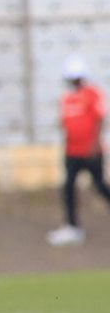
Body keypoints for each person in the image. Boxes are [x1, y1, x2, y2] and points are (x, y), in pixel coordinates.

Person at [48, 55, 109, 246]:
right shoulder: (67, 98)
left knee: (99, 186)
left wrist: (94, 145)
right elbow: (66, 122)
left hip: (90, 152)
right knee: (68, 187)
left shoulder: (92, 93)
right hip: (72, 151)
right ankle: (72, 226)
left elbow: (99, 118)